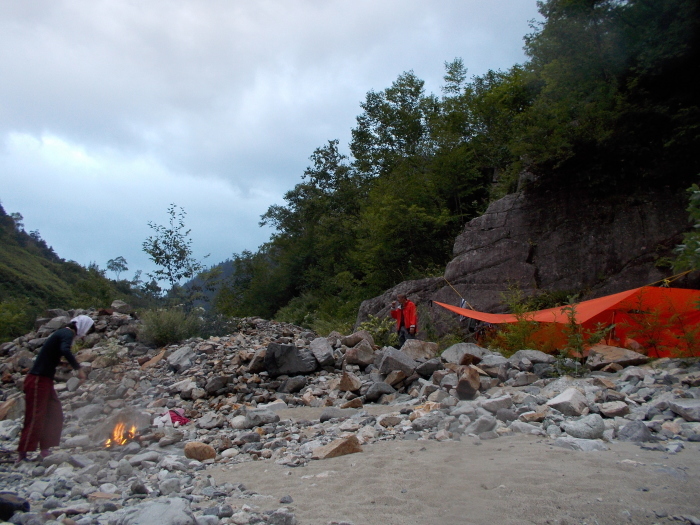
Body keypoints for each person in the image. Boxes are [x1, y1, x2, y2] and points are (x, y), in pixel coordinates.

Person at [16, 315, 93, 463]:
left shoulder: (62, 333)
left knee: (54, 413)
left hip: (45, 380)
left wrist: (62, 364)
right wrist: (78, 369)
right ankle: (23, 452)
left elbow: (52, 354)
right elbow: (64, 349)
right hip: (38, 380)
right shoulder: (67, 333)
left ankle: (45, 448)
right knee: (36, 415)